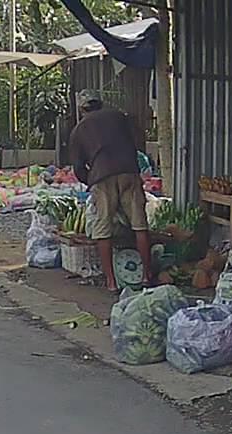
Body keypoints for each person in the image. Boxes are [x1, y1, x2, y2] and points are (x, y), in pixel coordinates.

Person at [69, 89, 152, 290]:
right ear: (100, 103)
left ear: (82, 108)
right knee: (140, 225)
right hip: (129, 171)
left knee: (103, 230)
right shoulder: (119, 116)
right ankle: (147, 276)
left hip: (102, 177)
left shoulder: (79, 130)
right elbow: (137, 140)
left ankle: (111, 282)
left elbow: (78, 167)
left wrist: (90, 181)